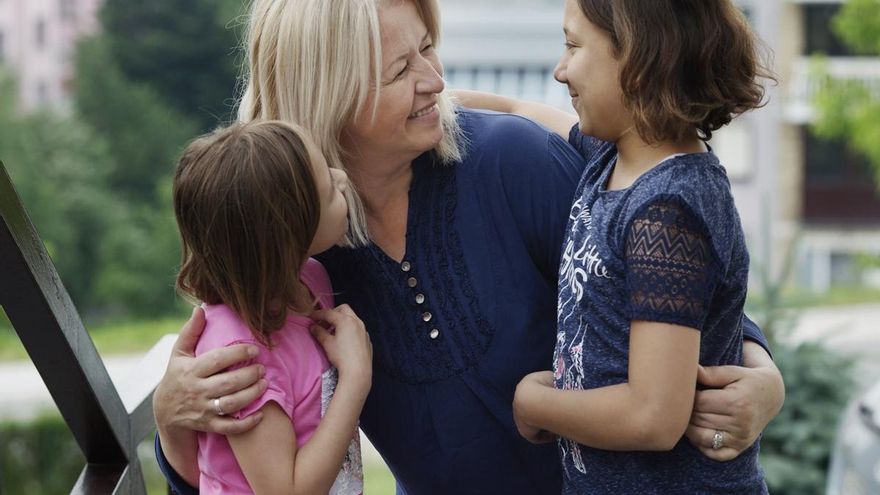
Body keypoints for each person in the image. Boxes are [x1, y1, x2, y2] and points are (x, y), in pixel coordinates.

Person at [152, 1, 785, 494]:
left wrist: (762, 376)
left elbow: (669, 284)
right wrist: (173, 422)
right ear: (328, 97)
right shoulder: (293, 252)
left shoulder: (516, 164)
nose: (435, 80)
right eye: (401, 70)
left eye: (428, 48)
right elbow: (226, 467)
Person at [460, 0, 773, 493]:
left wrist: (531, 401)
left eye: (573, 45)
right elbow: (520, 111)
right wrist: (432, 102)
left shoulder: (667, 210)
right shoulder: (614, 158)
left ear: (639, 61)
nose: (560, 70)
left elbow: (653, 416)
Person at [171, 120, 371, 494]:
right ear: (288, 233)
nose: (342, 178)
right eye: (328, 191)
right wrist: (356, 378)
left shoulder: (311, 279)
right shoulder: (240, 354)